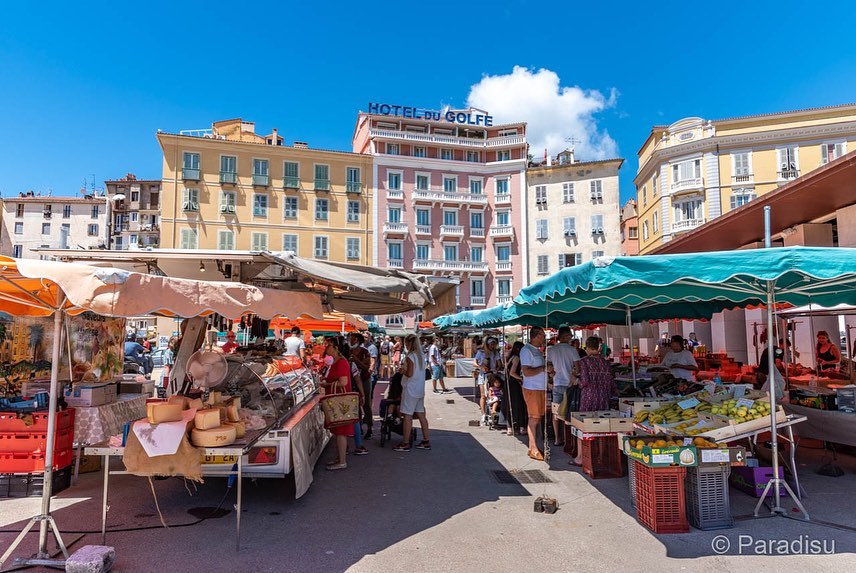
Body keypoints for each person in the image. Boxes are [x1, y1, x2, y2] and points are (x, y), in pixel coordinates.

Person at [572, 336, 619, 466]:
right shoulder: (605, 362)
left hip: (589, 397)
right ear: (598, 348)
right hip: (604, 397)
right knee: (602, 427)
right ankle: (601, 456)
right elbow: (611, 382)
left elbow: (585, 381)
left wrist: (577, 382)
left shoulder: (584, 361)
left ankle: (581, 458)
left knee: (583, 426)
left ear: (587, 347)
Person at [320, 337, 354, 470]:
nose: (326, 348)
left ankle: (342, 461)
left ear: (335, 348)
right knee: (339, 431)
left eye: (328, 346)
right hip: (338, 401)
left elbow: (343, 382)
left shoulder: (340, 363)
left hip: (340, 402)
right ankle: (340, 458)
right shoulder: (338, 362)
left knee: (341, 431)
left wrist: (327, 383)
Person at [393, 334, 431, 452]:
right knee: (421, 415)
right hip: (420, 389)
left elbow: (409, 373)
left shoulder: (410, 356)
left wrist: (401, 370)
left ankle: (405, 442)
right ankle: (426, 440)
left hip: (410, 389)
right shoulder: (421, 356)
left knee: (407, 416)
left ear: (408, 343)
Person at [546, 326, 580, 447]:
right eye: (570, 335)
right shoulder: (572, 350)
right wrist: (573, 376)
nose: (571, 337)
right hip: (569, 385)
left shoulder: (551, 350)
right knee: (569, 413)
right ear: (564, 336)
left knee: (556, 413)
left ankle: (557, 438)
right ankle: (568, 440)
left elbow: (548, 367)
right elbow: (578, 368)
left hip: (557, 384)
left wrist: (552, 375)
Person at [520, 327, 547, 461]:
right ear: (536, 336)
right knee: (534, 418)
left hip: (540, 388)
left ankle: (533, 447)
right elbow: (526, 372)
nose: (544, 338)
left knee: (537, 418)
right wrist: (543, 368)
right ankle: (533, 447)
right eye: (543, 335)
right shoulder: (526, 350)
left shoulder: (537, 350)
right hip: (532, 388)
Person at [348, 332, 373, 440]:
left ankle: (369, 428)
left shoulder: (365, 352)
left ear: (358, 341)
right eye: (350, 339)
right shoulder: (348, 351)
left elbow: (366, 367)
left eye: (353, 339)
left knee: (366, 403)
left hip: (364, 380)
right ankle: (358, 427)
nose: (351, 341)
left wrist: (356, 360)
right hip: (353, 381)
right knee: (355, 405)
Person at [474, 337, 501, 425]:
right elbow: (474, 362)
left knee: (493, 393)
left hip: (492, 374)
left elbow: (499, 364)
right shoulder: (481, 352)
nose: (493, 345)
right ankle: (483, 414)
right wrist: (480, 367)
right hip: (482, 374)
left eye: (494, 344)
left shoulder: (495, 352)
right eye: (491, 344)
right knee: (483, 395)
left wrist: (497, 368)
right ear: (487, 344)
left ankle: (492, 411)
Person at [504, 341, 528, 436]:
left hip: (508, 383)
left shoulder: (510, 357)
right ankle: (522, 427)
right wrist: (521, 378)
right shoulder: (517, 358)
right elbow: (512, 372)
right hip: (514, 383)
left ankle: (509, 427)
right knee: (519, 404)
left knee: (510, 404)